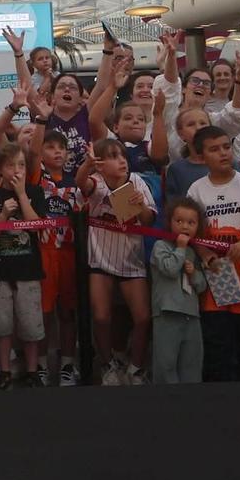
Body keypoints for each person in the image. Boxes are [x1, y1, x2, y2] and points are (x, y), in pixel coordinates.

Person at [184, 127, 240, 382]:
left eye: (226, 146)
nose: (223, 153)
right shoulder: (196, 190)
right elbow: (191, 232)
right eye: (214, 149)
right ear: (202, 156)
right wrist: (205, 254)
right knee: (218, 346)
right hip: (217, 277)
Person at [77, 137, 155, 384]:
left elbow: (149, 220)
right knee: (101, 317)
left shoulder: (137, 181)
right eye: (113, 156)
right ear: (99, 164)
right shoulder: (97, 183)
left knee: (142, 318)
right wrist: (87, 166)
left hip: (132, 260)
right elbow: (80, 182)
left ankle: (136, 368)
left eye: (122, 155)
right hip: (100, 260)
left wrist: (140, 206)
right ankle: (107, 364)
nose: (121, 160)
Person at [0, 144, 44, 388]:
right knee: (2, 325)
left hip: (28, 269)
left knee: (31, 324)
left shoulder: (35, 193)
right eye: (10, 165)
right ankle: (5, 371)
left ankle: (32, 370)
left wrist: (21, 196)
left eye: (21, 165)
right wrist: (3, 217)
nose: (17, 170)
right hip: (0, 270)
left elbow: (37, 227)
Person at [27, 129, 81, 386]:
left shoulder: (75, 181)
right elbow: (34, 152)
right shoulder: (38, 178)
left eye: (62, 147)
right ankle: (39, 364)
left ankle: (68, 364)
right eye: (51, 147)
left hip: (70, 253)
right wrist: (40, 120)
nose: (58, 151)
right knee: (43, 313)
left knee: (68, 312)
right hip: (43, 252)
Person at [148, 197, 208, 383]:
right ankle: (166, 404)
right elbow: (170, 269)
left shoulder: (193, 251)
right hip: (167, 313)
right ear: (169, 222)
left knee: (192, 364)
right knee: (166, 363)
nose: (185, 227)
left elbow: (201, 285)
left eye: (191, 223)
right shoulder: (161, 246)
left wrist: (194, 274)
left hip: (191, 314)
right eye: (179, 221)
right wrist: (180, 249)